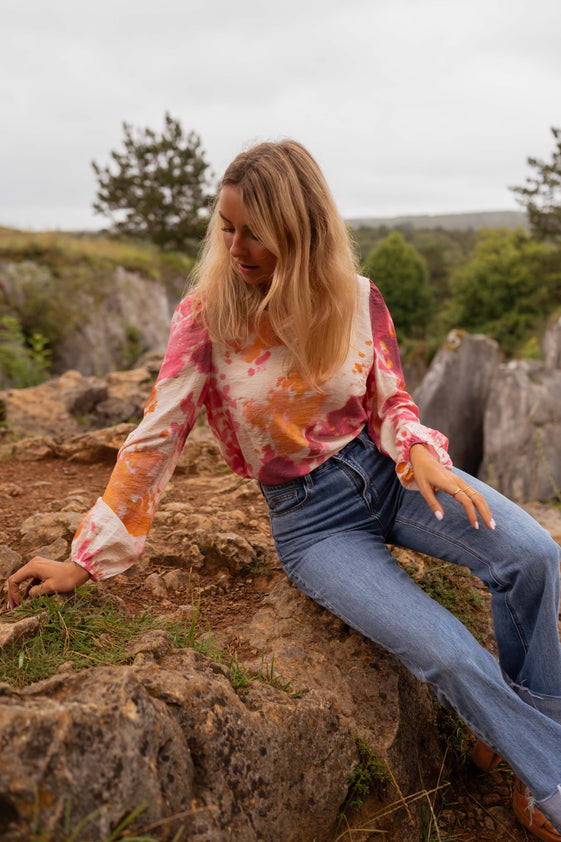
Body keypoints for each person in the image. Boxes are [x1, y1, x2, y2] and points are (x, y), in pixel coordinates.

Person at [6, 140, 561, 841]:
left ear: (301, 228)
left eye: (253, 231)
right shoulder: (206, 318)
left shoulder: (356, 298)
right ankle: (549, 776)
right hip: (314, 525)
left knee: (533, 555)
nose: (234, 245)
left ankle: (517, 741)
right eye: (226, 226)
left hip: (386, 476)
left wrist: (418, 451)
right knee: (448, 653)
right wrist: (84, 557)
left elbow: (390, 398)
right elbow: (156, 435)